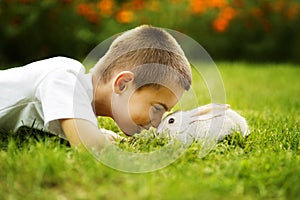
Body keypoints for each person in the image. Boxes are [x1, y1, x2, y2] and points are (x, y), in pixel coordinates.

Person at [0, 25, 192, 150]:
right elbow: (90, 147)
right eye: (157, 108)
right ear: (123, 84)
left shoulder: (81, 107)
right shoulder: (66, 76)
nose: (157, 122)